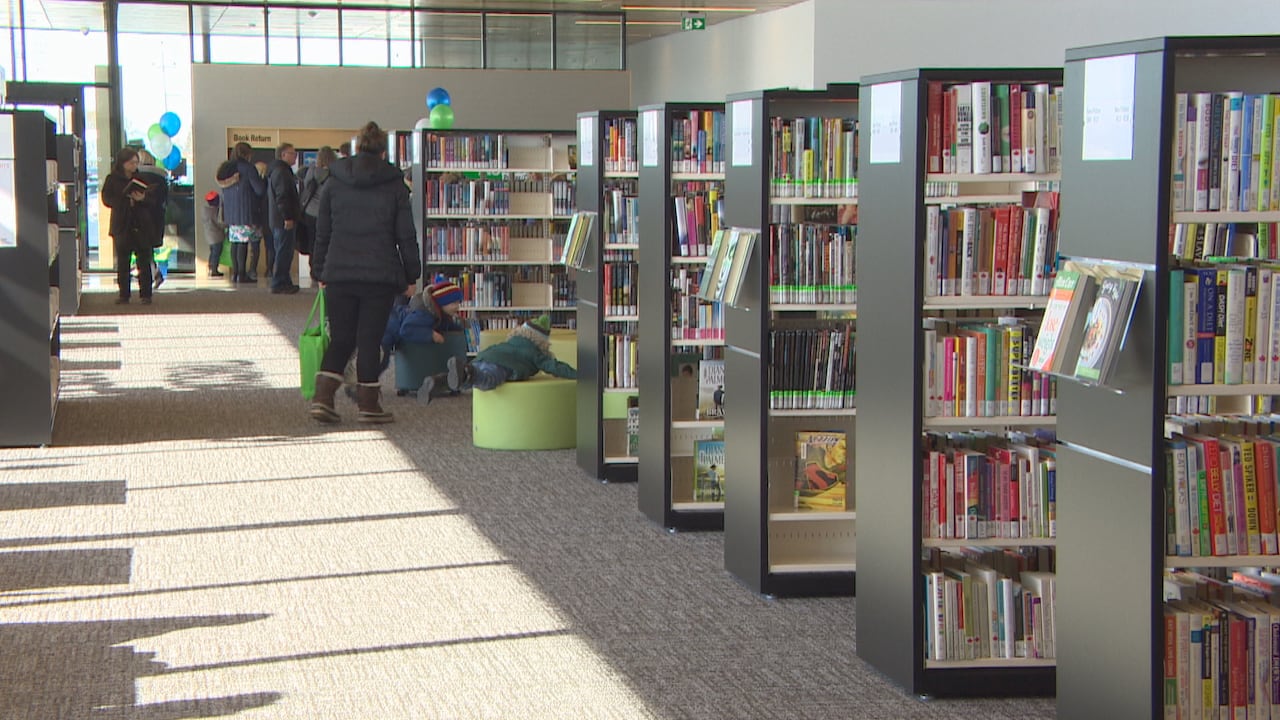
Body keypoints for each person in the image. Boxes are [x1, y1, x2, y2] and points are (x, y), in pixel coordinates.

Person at [309, 121, 421, 425]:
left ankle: (323, 398)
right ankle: (369, 406)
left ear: (357, 147)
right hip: (380, 274)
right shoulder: (394, 184)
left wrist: (319, 269)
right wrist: (412, 274)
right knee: (370, 339)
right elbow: (405, 235)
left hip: (339, 273)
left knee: (341, 338)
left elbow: (323, 232)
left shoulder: (334, 181)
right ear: (384, 150)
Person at [420, 314, 576, 403]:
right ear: (542, 340)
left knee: (462, 381)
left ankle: (438, 381)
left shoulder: (511, 341)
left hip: (484, 356)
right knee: (487, 380)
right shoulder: (535, 352)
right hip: (501, 365)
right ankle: (468, 371)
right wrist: (578, 374)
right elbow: (554, 366)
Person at [100, 146, 159, 305]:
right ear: (123, 163)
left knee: (144, 260)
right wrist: (124, 198)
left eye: (136, 163)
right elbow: (107, 199)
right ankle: (123, 294)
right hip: (122, 223)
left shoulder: (142, 178)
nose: (134, 166)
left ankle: (146, 294)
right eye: (131, 163)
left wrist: (142, 199)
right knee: (123, 261)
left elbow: (153, 201)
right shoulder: (112, 179)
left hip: (141, 223)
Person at [218, 142, 266, 284]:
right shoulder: (248, 168)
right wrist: (262, 180)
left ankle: (235, 274)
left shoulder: (226, 168)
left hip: (231, 212)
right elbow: (259, 190)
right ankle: (242, 274)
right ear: (247, 154)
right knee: (243, 244)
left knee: (235, 243)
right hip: (245, 210)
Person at [266, 142, 301, 294]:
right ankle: (279, 281)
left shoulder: (278, 171)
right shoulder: (282, 172)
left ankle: (285, 280)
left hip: (277, 219)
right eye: (292, 153)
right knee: (283, 251)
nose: (295, 156)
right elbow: (283, 197)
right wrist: (287, 216)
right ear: (283, 155)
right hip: (283, 220)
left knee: (284, 250)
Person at [135, 149, 169, 290]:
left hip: (139, 216)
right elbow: (164, 199)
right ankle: (154, 272)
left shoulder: (137, 177)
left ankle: (150, 274)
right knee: (148, 248)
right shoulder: (161, 177)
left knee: (141, 248)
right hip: (156, 217)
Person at [297, 145, 335, 256]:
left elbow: (306, 184)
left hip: (310, 211)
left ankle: (313, 266)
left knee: (312, 241)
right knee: (325, 241)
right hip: (326, 212)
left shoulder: (312, 171)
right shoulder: (334, 174)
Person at [201, 190, 226, 278]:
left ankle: (211, 268)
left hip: (209, 236)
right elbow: (220, 223)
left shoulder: (204, 210)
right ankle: (214, 270)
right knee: (216, 253)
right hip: (216, 236)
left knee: (212, 253)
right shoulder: (215, 211)